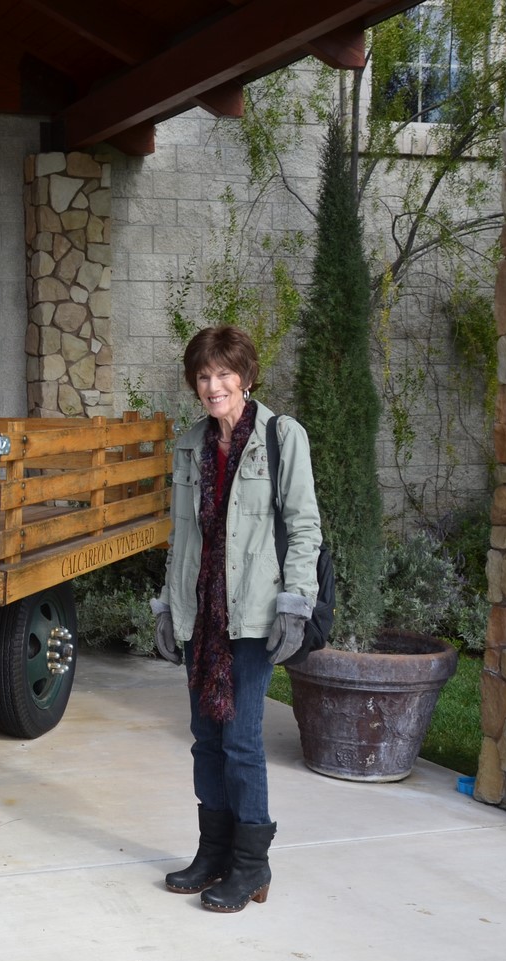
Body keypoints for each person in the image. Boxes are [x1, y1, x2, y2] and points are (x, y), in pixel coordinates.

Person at [151, 325, 321, 912]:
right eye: (203, 375)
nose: (213, 385)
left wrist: (295, 604)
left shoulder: (281, 437)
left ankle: (252, 866)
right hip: (202, 614)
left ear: (246, 378)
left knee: (242, 741)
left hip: (253, 615)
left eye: (224, 374)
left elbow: (304, 527)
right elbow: (183, 538)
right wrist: (169, 609)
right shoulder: (190, 443)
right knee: (205, 739)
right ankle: (213, 853)